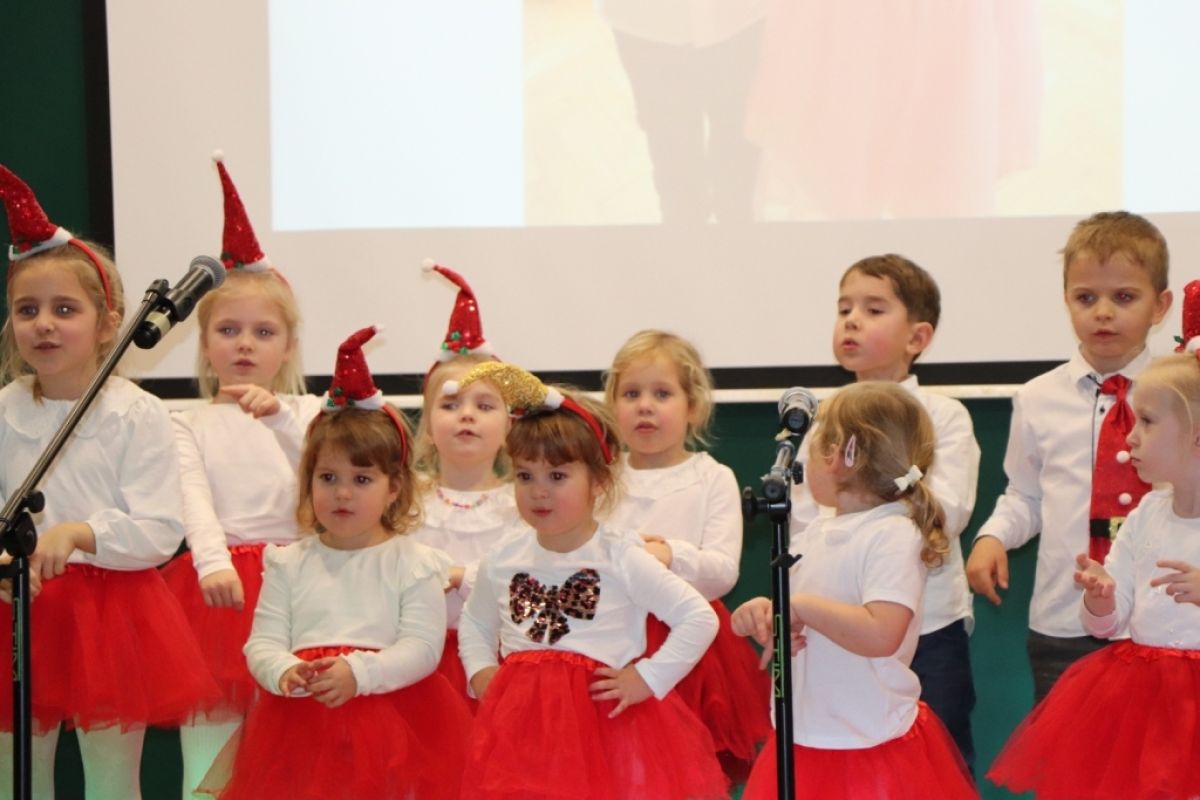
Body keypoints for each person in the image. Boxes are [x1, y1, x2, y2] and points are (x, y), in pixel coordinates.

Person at [0, 163, 217, 798]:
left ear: (107, 322)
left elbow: (160, 529)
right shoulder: (4, 409)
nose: (43, 324)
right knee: (15, 775)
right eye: (27, 310)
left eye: (64, 309)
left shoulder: (136, 413)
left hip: (111, 617)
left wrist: (78, 533)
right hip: (15, 606)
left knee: (112, 779)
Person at [215, 327, 471, 800]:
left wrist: (360, 674)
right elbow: (263, 642)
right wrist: (283, 672)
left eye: (362, 479)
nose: (343, 493)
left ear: (394, 488)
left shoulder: (415, 563)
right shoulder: (288, 562)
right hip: (301, 725)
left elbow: (421, 648)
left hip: (393, 722)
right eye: (328, 477)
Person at [455, 362, 729, 800]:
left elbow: (698, 617)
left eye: (557, 476)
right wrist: (481, 673)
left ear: (598, 481)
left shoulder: (620, 556)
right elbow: (474, 622)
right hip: (522, 736)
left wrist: (648, 678)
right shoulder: (503, 558)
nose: (539, 490)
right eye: (525, 475)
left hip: (609, 730)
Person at [162, 153, 323, 796]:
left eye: (263, 331)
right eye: (228, 330)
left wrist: (280, 417)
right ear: (205, 343)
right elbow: (193, 499)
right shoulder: (187, 422)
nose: (246, 343)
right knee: (209, 749)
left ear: (288, 345)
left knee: (294, 745)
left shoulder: (310, 413)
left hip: (304, 585)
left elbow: (326, 480)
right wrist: (211, 563)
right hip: (219, 591)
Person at [732, 381, 976, 799]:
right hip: (807, 735)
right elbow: (810, 619)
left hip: (868, 745)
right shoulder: (816, 533)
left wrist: (801, 607)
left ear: (842, 455)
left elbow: (881, 633)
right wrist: (770, 615)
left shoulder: (892, 534)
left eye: (815, 443)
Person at [967, 211, 1174, 701]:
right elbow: (1025, 495)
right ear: (1066, 301)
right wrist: (993, 537)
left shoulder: (1184, 395)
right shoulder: (1038, 398)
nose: (1103, 312)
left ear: (1161, 306)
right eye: (1086, 297)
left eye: (1124, 297)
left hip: (1164, 620)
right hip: (1064, 624)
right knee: (1068, 752)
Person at [790, 254, 981, 767]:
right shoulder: (823, 420)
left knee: (936, 762)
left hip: (929, 627)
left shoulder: (943, 416)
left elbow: (946, 511)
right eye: (844, 309)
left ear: (918, 337)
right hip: (834, 632)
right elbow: (805, 520)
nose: (851, 320)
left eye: (873, 310)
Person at [987, 346, 1200, 800]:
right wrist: (1100, 599)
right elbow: (1108, 623)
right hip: (1143, 701)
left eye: (1148, 422)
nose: (1131, 438)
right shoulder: (1147, 513)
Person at [603, 329, 768, 777]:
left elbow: (722, 571)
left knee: (686, 769)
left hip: (690, 647)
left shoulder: (713, 477)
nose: (645, 406)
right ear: (612, 405)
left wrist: (669, 554)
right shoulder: (600, 478)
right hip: (613, 640)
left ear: (693, 407)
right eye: (631, 394)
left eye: (662, 394)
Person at [411, 262, 517, 705]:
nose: (467, 415)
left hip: (500, 666)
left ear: (509, 426)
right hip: (420, 668)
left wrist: (459, 577)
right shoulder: (406, 503)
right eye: (451, 404)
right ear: (428, 426)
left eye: (485, 405)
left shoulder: (523, 506)